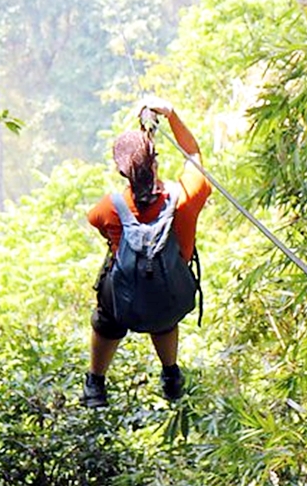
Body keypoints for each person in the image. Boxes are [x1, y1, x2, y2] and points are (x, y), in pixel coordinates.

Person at [82, 97, 211, 407]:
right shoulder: (185, 197)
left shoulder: (110, 208)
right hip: (171, 299)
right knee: (163, 306)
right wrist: (170, 114)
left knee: (106, 315)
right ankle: (170, 375)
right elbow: (193, 153)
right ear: (156, 162)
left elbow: (96, 222)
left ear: (122, 171)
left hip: (124, 303)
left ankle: (95, 384)